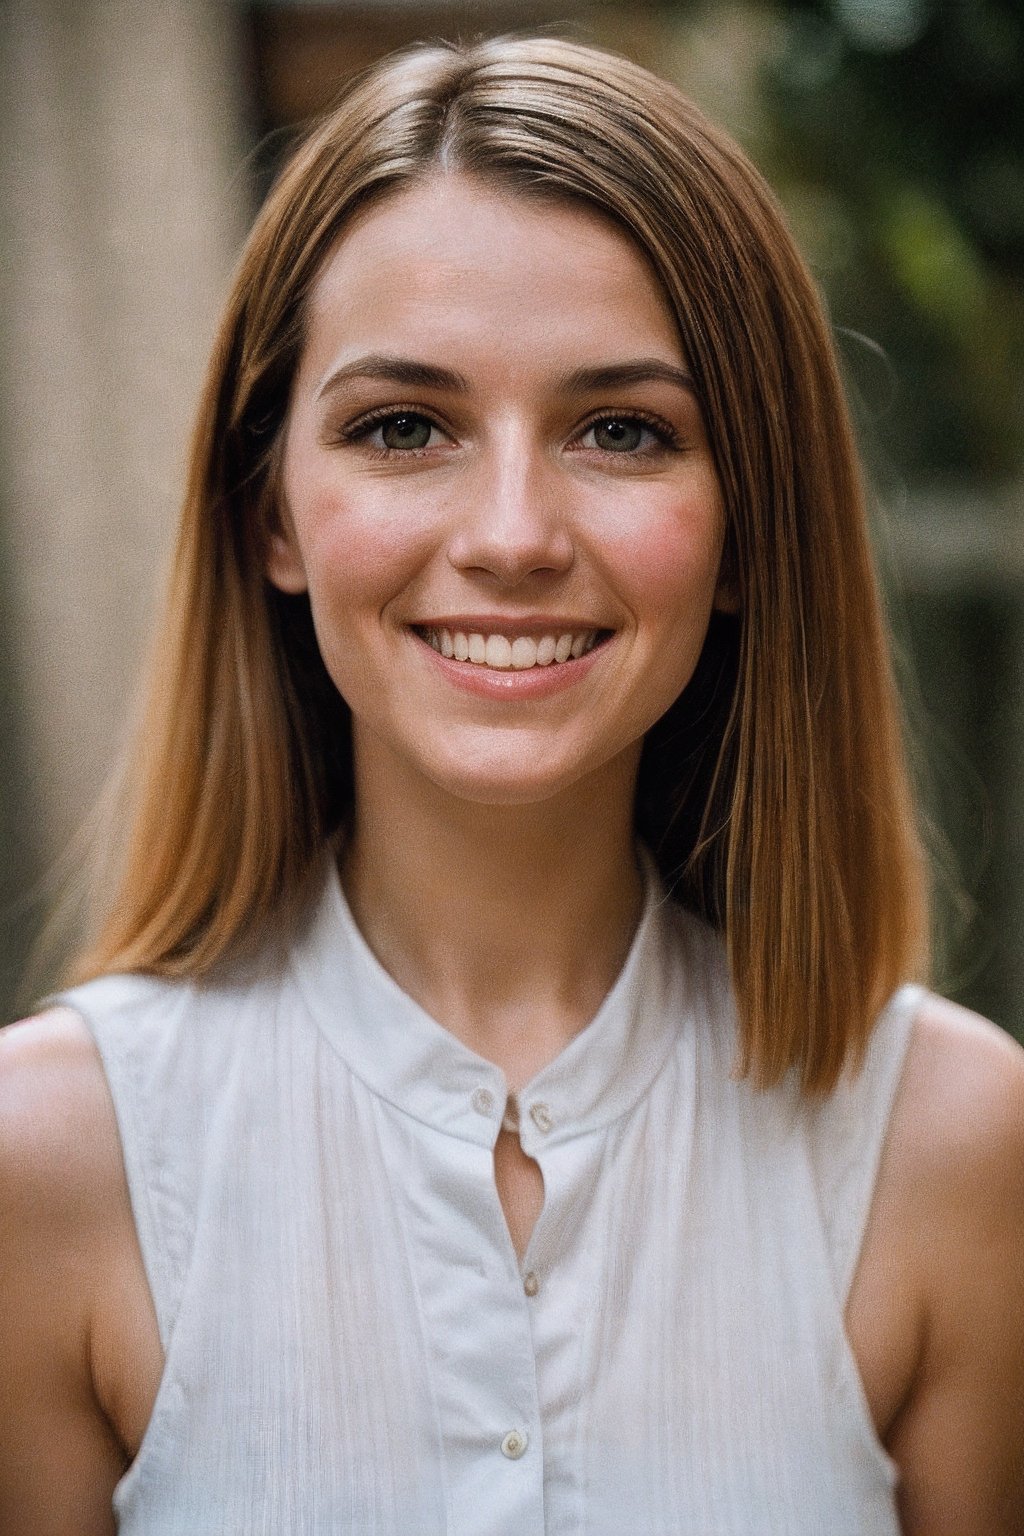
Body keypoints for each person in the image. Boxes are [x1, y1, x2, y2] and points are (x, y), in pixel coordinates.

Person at [1, 33, 1022, 1536]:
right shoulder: (46, 1167)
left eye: (623, 430)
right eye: (402, 427)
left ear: (749, 526)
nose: (513, 532)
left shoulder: (954, 1146)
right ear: (270, 512)